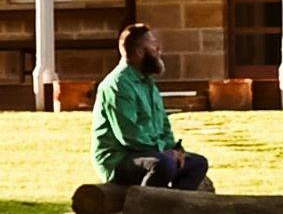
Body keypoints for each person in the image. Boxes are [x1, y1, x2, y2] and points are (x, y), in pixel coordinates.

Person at [90, 24, 210, 190]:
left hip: (149, 152)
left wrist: (174, 149)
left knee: (197, 164)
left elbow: (163, 125)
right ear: (140, 52)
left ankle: (173, 209)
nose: (159, 50)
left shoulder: (148, 83)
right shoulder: (117, 85)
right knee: (164, 164)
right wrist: (165, 153)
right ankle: (144, 208)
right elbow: (129, 135)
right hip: (119, 158)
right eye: (153, 45)